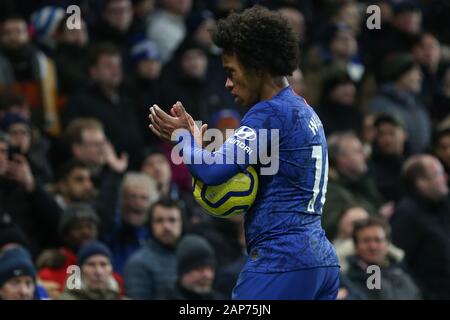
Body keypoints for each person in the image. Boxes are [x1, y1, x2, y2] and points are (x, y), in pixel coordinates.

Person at [149, 6, 339, 300]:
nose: (227, 83)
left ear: (257, 68)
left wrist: (182, 138)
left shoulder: (269, 113)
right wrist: (199, 143)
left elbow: (212, 172)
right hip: (320, 260)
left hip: (282, 261)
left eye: (231, 72)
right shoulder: (302, 109)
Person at [123, 198, 184, 299]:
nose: (167, 227)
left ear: (181, 223)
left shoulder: (189, 257)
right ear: (151, 225)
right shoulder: (138, 263)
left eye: (172, 220)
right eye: (159, 221)